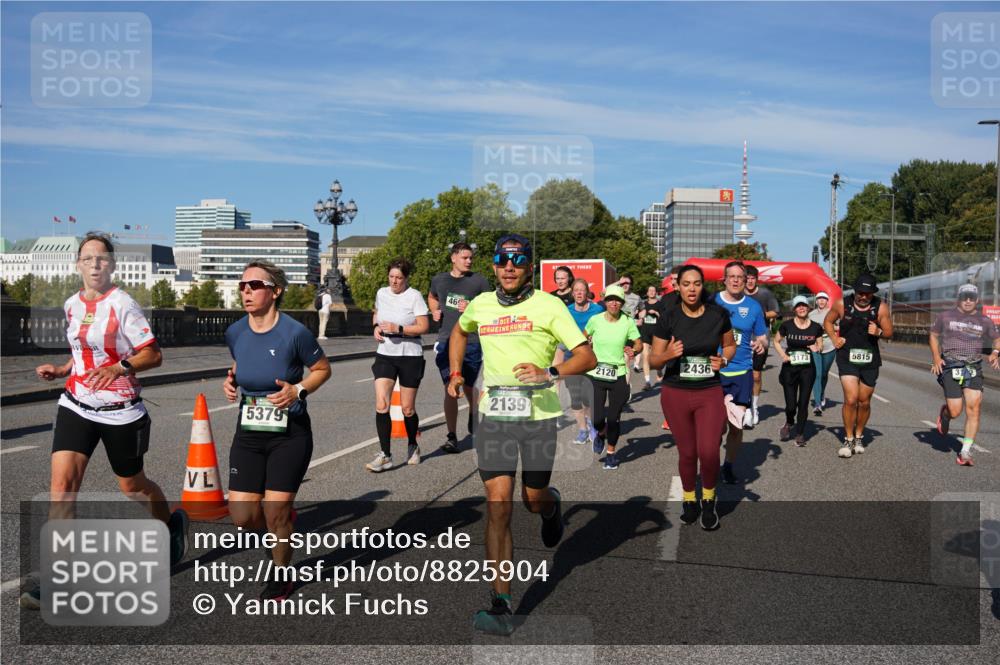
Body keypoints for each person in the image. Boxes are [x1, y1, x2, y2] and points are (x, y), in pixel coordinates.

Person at [23, 232, 189, 610]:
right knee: (62, 488)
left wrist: (119, 367)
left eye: (101, 258)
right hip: (76, 404)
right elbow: (83, 349)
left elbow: (153, 355)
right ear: (78, 265)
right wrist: (62, 369)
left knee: (133, 486)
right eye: (88, 258)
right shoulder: (71, 304)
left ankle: (169, 526)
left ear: (111, 265)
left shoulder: (123, 304)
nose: (95, 264)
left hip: (120, 411)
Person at [447, 234, 596, 635]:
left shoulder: (549, 305)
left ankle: (550, 505)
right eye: (502, 261)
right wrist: (457, 372)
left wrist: (550, 372)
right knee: (498, 505)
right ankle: (501, 603)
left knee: (532, 499)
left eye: (517, 261)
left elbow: (587, 355)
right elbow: (459, 332)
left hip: (538, 418)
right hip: (494, 417)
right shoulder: (481, 304)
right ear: (494, 266)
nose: (509, 268)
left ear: (530, 266)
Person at [223, 259, 332, 601]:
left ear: (275, 291)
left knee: (274, 511)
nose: (246, 291)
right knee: (242, 517)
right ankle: (279, 526)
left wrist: (298, 390)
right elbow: (240, 363)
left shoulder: (295, 333)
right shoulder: (235, 332)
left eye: (255, 285)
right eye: (243, 286)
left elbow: (322, 369)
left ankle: (282, 572)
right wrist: (231, 380)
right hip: (249, 432)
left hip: (290, 433)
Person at [649, 265, 735, 531]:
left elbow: (730, 345)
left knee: (708, 451)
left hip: (709, 391)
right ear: (678, 287)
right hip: (675, 393)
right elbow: (653, 360)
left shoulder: (718, 314)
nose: (692, 289)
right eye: (686, 284)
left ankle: (708, 501)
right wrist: (668, 355)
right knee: (687, 453)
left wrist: (724, 360)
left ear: (702, 285)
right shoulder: (669, 317)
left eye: (697, 283)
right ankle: (689, 500)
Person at [367, 258, 430, 471]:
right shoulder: (381, 293)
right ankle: (385, 455)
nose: (394, 281)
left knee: (407, 408)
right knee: (381, 404)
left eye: (399, 278)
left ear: (406, 278)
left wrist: (399, 328)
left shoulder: (414, 296)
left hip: (410, 355)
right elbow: (377, 314)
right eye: (391, 277)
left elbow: (424, 326)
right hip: (385, 353)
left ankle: (413, 444)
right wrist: (376, 327)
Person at [428, 242, 491, 453]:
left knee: (468, 387)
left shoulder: (479, 281)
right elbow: (432, 296)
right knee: (451, 388)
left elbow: (491, 308)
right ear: (453, 258)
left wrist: (473, 307)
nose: (469, 261)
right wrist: (434, 310)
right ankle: (452, 436)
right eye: (465, 257)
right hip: (446, 340)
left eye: (471, 257)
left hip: (472, 341)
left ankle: (474, 410)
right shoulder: (439, 280)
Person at [930, 283, 1000, 466]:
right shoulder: (945, 316)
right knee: (955, 410)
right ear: (958, 299)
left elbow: (997, 339)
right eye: (964, 297)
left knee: (974, 407)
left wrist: (995, 352)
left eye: (972, 298)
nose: (968, 301)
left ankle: (965, 452)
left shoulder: (984, 320)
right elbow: (933, 335)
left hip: (973, 367)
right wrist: (936, 357)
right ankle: (945, 415)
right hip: (951, 365)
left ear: (977, 300)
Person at [824, 273, 893, 458]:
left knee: (864, 402)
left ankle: (859, 435)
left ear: (873, 293)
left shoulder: (881, 307)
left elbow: (889, 332)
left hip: (870, 359)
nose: (863, 297)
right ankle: (848, 439)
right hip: (847, 357)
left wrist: (878, 331)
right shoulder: (842, 304)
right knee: (851, 399)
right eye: (860, 293)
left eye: (867, 294)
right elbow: (828, 322)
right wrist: (834, 338)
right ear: (855, 291)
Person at [713, 261, 768, 484]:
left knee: (736, 425)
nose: (736, 280)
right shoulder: (712, 302)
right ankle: (711, 460)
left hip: (741, 372)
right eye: (732, 276)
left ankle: (728, 466)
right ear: (724, 279)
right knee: (717, 426)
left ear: (746, 281)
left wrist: (761, 343)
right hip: (715, 371)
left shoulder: (753, 307)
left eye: (740, 277)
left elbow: (762, 336)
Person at [585, 284, 642, 469]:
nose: (614, 303)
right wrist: (586, 343)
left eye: (618, 300)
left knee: (613, 418)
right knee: (597, 419)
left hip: (618, 374)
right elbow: (583, 337)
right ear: (605, 301)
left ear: (622, 303)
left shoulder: (627, 321)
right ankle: (601, 433)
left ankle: (611, 454)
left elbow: (639, 343)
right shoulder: (595, 320)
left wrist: (633, 350)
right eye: (610, 300)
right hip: (596, 373)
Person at [774, 296, 824, 446]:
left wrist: (816, 347)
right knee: (791, 406)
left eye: (804, 305)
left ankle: (800, 433)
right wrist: (783, 355)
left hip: (807, 369)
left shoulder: (816, 327)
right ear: (794, 309)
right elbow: (776, 341)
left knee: (803, 403)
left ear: (808, 308)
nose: (801, 308)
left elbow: (820, 345)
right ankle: (789, 422)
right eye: (798, 306)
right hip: (790, 368)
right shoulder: (787, 325)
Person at [565, 278, 604, 446]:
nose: (579, 293)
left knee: (589, 396)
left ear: (587, 292)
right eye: (576, 290)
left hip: (591, 358)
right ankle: (582, 430)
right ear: (572, 293)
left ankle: (590, 422)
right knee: (575, 397)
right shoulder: (567, 311)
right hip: (571, 358)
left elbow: (605, 327)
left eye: (582, 290)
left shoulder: (597, 310)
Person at [744, 265, 779, 427]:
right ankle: (745, 408)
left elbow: (775, 312)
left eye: (753, 278)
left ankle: (754, 406)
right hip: (742, 339)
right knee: (743, 374)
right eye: (747, 278)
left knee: (756, 376)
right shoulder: (738, 294)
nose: (750, 281)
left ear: (756, 280)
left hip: (760, 338)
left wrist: (759, 314)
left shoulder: (765, 294)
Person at [809, 291, 836, 415]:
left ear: (827, 301)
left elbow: (839, 327)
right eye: (819, 299)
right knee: (817, 374)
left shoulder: (833, 313)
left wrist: (828, 327)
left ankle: (821, 393)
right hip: (815, 347)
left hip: (829, 347)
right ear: (816, 301)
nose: (821, 301)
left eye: (824, 299)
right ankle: (818, 404)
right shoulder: (811, 315)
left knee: (824, 374)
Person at [637, 285, 662, 389]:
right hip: (645, 332)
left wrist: (656, 313)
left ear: (656, 292)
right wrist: (640, 316)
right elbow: (638, 316)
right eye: (650, 290)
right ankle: (647, 382)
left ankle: (659, 370)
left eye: (653, 290)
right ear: (647, 293)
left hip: (657, 333)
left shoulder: (660, 304)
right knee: (645, 356)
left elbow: (664, 319)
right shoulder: (643, 305)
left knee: (657, 357)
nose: (651, 292)